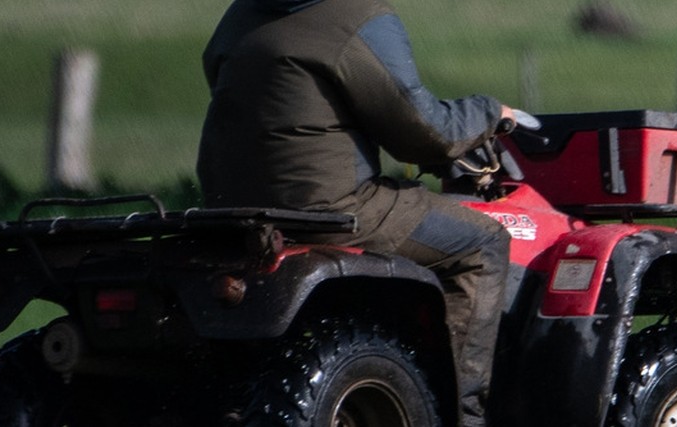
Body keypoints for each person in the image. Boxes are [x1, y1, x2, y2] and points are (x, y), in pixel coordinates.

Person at [197, 0, 516, 425]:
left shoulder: (242, 13)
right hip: (329, 208)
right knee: (483, 241)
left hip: (231, 209)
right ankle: (464, 415)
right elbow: (422, 132)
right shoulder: (357, 17)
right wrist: (490, 113)